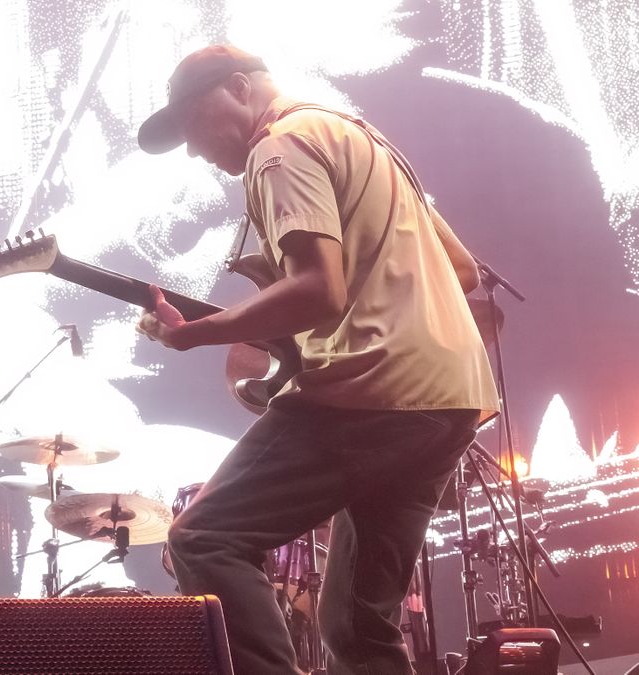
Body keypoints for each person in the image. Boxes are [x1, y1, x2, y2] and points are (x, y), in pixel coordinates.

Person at [135, 45, 499, 674]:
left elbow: (317, 290)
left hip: (374, 388)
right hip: (450, 398)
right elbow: (462, 271)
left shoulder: (277, 148)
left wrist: (199, 334)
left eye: (194, 125)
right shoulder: (361, 139)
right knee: (357, 624)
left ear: (240, 88)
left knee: (204, 537)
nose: (194, 150)